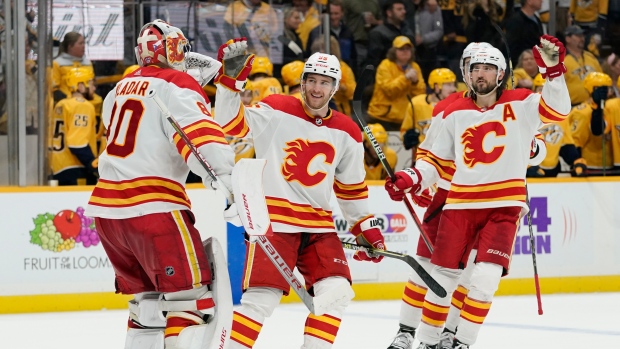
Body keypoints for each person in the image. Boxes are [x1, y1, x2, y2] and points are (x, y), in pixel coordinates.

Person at [385, 36, 571, 349]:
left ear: (501, 73)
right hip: (453, 201)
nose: (480, 73)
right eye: (475, 67)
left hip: (501, 203)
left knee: (479, 279)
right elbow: (433, 159)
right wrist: (414, 178)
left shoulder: (521, 101)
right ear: (466, 72)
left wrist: (553, 72)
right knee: (435, 275)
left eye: (488, 67)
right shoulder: (450, 110)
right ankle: (417, 336)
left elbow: (553, 117)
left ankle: (457, 339)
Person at [214, 41, 386, 349]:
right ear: (302, 82)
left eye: (325, 82)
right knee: (260, 300)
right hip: (274, 223)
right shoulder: (277, 108)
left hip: (319, 227)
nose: (317, 88)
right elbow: (230, 123)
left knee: (335, 294)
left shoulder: (347, 131)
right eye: (312, 80)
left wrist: (364, 226)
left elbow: (351, 187)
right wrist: (230, 84)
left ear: (335, 88)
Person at [84, 20, 237, 349]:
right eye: (182, 49)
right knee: (189, 301)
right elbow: (199, 141)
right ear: (171, 49)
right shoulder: (178, 85)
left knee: (147, 308)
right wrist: (228, 178)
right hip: (155, 210)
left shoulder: (118, 89)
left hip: (108, 215)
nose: (185, 56)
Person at [50, 67, 98, 186]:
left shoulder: (61, 104)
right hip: (77, 169)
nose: (94, 88)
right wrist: (93, 163)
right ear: (80, 86)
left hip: (58, 167)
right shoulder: (82, 106)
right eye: (91, 84)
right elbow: (77, 143)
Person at [367, 36, 426, 131]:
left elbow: (420, 95)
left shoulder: (415, 67)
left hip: (404, 117)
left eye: (408, 49)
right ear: (394, 51)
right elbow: (389, 90)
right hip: (382, 116)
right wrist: (405, 78)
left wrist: (415, 82)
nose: (405, 51)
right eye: (401, 49)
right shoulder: (385, 65)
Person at [400, 68, 457, 156]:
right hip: (422, 159)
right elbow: (404, 131)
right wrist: (406, 138)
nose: (453, 89)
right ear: (437, 87)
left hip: (448, 160)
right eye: (448, 85)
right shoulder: (416, 103)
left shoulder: (457, 105)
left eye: (453, 84)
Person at [569, 71, 614, 175]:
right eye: (605, 89)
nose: (609, 92)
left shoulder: (610, 108)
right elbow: (574, 142)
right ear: (593, 89)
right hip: (589, 166)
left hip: (610, 165)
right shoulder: (582, 112)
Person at [366, 0, 415, 69]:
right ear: (389, 13)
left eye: (404, 9)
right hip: (386, 73)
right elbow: (373, 62)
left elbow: (413, 57)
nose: (404, 12)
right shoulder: (377, 33)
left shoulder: (408, 32)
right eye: (399, 9)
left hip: (408, 72)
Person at [52, 32, 98, 104]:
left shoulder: (88, 63)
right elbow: (53, 89)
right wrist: (70, 100)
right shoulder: (57, 64)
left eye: (84, 43)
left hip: (89, 104)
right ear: (70, 46)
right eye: (80, 43)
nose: (83, 46)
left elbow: (92, 85)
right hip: (67, 105)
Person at [563, 25, 603, 106]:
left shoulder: (591, 57)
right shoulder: (561, 61)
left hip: (594, 105)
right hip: (572, 107)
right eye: (578, 36)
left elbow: (602, 79)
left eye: (582, 36)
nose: (582, 38)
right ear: (568, 39)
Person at [504, 0, 544, 65]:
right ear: (529, 1)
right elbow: (512, 47)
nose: (542, 1)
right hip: (522, 65)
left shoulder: (536, 19)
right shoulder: (516, 21)